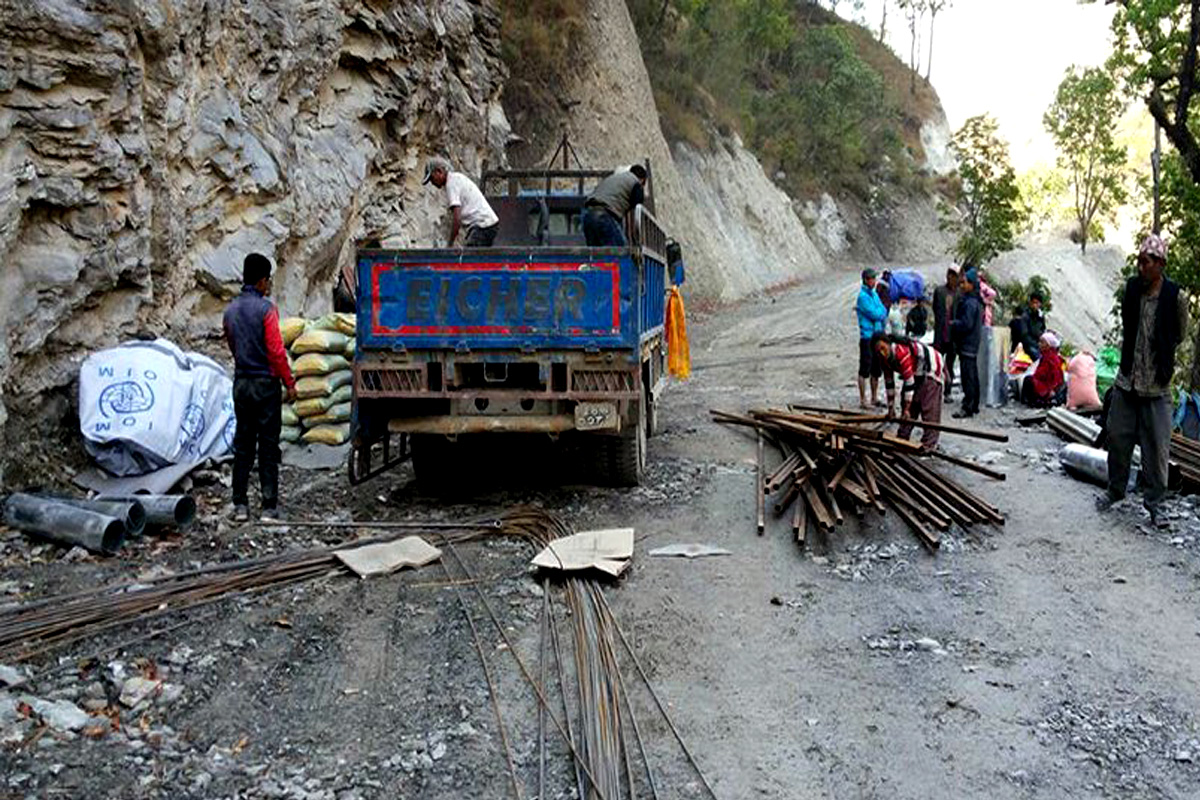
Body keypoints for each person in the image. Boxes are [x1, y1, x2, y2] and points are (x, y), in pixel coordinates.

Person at [1098, 234, 1187, 527]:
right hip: (1127, 382)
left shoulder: (1176, 296)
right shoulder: (1132, 289)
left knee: (1157, 449)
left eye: (1146, 262)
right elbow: (1128, 323)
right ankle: (1115, 490)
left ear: (1160, 264)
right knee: (1116, 436)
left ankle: (1155, 505)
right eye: (1139, 261)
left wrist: (1159, 351)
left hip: (1157, 386)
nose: (1141, 267)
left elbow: (1180, 334)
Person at [222, 253, 298, 522]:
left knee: (243, 444)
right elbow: (277, 352)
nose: (269, 286)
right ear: (262, 280)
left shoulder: (230, 311)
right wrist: (289, 382)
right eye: (268, 280)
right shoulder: (267, 310)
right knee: (267, 445)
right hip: (265, 385)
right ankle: (268, 506)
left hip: (241, 383)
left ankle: (240, 505)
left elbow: (232, 344)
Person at [873, 332, 946, 451]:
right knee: (909, 404)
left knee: (928, 407)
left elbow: (909, 381)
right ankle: (902, 437)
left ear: (888, 344)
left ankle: (929, 444)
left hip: (931, 368)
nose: (882, 352)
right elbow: (889, 384)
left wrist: (906, 408)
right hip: (916, 372)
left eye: (883, 348)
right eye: (878, 351)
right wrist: (891, 409)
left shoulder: (901, 352)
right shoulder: (884, 359)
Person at [423, 157, 500, 247]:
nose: (432, 182)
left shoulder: (451, 184)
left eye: (432, 178)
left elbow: (457, 219)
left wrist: (450, 244)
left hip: (483, 225)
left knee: (469, 258)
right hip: (487, 224)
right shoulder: (456, 178)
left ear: (439, 171)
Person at [583, 165, 647, 247]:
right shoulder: (636, 183)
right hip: (605, 217)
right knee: (620, 252)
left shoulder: (613, 178)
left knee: (595, 256)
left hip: (588, 216)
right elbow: (637, 207)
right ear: (642, 179)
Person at [950, 268, 983, 418]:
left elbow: (966, 324)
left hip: (967, 344)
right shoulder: (975, 301)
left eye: (964, 283)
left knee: (967, 376)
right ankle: (974, 404)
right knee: (973, 375)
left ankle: (967, 407)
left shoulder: (970, 303)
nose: (962, 286)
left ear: (971, 284)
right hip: (972, 343)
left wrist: (953, 324)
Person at [855, 268, 889, 408]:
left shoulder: (874, 294)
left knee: (876, 368)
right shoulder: (862, 297)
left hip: (877, 335)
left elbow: (883, 310)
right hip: (867, 336)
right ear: (865, 280)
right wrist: (880, 314)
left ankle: (874, 397)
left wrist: (880, 313)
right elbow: (876, 314)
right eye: (871, 279)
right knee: (865, 368)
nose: (874, 282)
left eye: (874, 279)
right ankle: (863, 400)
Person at [932, 267, 960, 401]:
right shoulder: (939, 291)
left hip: (953, 336)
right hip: (940, 334)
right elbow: (935, 308)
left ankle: (947, 391)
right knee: (936, 364)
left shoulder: (959, 294)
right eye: (949, 275)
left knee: (950, 364)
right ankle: (935, 391)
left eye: (954, 276)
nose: (951, 278)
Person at [1020, 331, 1066, 407]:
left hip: (1048, 387)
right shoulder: (1049, 356)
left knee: (1028, 380)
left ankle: (1034, 402)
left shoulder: (1050, 358)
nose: (1039, 344)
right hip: (1047, 386)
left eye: (1042, 342)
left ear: (1048, 345)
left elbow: (1052, 376)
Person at [1009, 293, 1046, 358]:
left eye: (1037, 303)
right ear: (1031, 303)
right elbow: (1024, 335)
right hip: (1028, 346)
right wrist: (1036, 344)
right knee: (1039, 358)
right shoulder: (1025, 316)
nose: (1035, 305)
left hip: (1038, 345)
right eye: (1034, 303)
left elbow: (1043, 330)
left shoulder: (1040, 317)